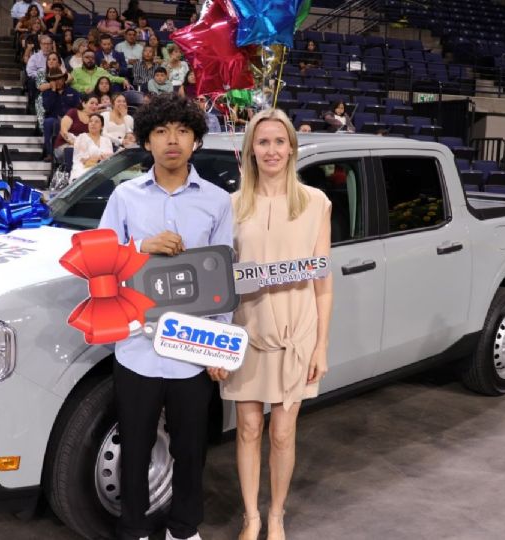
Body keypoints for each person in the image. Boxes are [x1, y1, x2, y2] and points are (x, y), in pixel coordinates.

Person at [97, 93, 232, 540]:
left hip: (192, 348)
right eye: (161, 131)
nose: (172, 140)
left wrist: (219, 346)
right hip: (136, 345)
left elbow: (224, 283)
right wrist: (141, 247)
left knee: (191, 447)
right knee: (134, 447)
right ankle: (132, 529)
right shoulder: (125, 197)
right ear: (147, 141)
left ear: (195, 140)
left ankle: (184, 527)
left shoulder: (217, 202)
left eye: (182, 131)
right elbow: (99, 262)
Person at [220, 108, 331, 540]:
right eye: (263, 142)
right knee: (248, 427)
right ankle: (251, 516)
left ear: (291, 147)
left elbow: (323, 283)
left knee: (282, 432)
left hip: (296, 334)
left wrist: (321, 346)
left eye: (279, 142)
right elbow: (219, 282)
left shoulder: (316, 202)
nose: (272, 150)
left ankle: (277, 515)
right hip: (247, 333)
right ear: (251, 149)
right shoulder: (230, 206)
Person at [41, 67, 81, 161]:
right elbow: (47, 107)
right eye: (54, 80)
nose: (57, 82)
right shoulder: (47, 93)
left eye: (59, 79)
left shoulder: (73, 92)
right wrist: (53, 92)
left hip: (71, 120)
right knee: (48, 122)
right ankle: (50, 154)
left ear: (64, 79)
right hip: (54, 119)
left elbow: (78, 108)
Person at [54, 93, 97, 162]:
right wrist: (76, 144)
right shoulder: (73, 112)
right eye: (92, 103)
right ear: (84, 104)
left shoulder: (95, 120)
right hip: (65, 146)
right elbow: (63, 131)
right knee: (79, 153)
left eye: (96, 104)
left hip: (83, 149)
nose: (94, 106)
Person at [70, 113, 113, 180]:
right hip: (83, 169)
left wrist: (96, 159)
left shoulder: (107, 140)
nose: (93, 123)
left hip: (103, 169)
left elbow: (110, 158)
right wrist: (99, 158)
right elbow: (81, 159)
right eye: (90, 121)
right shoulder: (81, 137)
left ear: (102, 126)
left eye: (96, 121)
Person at [33, 52, 68, 127]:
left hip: (60, 94)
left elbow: (70, 78)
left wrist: (62, 69)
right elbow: (41, 87)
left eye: (54, 59)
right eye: (49, 59)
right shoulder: (41, 72)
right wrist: (56, 83)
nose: (51, 61)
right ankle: (43, 127)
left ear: (59, 62)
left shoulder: (62, 72)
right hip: (44, 96)